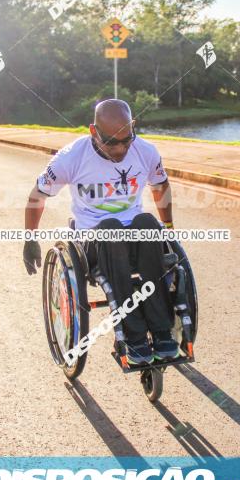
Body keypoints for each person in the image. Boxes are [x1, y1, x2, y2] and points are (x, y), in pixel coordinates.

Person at [22, 99, 178, 365]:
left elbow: (160, 185)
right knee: (110, 228)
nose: (120, 149)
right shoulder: (71, 157)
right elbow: (38, 195)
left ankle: (162, 330)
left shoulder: (145, 151)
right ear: (94, 132)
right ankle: (135, 336)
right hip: (93, 239)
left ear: (133, 128)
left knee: (149, 224)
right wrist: (30, 239)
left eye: (126, 140)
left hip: (134, 235)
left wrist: (169, 229)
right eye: (112, 142)